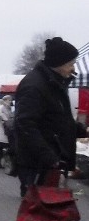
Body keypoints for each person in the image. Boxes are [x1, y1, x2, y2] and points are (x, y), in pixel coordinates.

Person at [15, 36, 87, 198]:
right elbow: (26, 124)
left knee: (51, 216)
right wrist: (49, 158)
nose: (73, 68)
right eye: (70, 64)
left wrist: (81, 130)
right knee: (40, 216)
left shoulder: (53, 83)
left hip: (49, 162)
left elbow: (57, 120)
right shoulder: (35, 85)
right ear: (59, 64)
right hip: (40, 164)